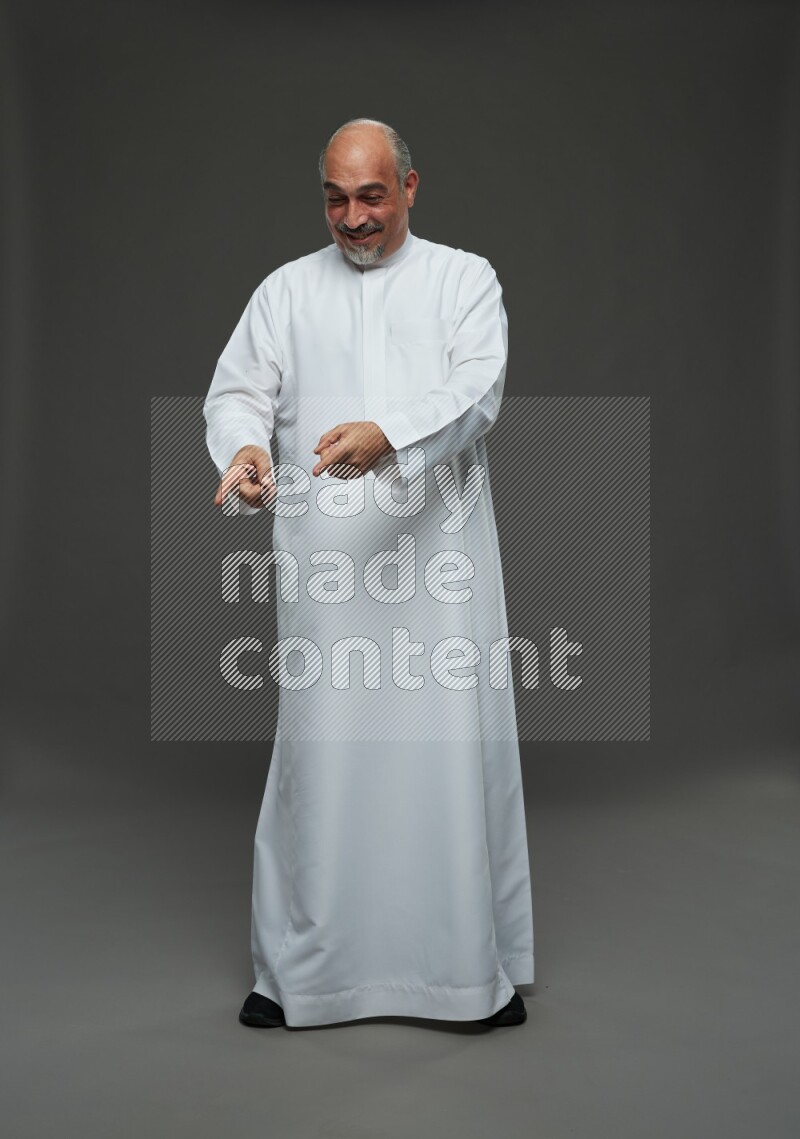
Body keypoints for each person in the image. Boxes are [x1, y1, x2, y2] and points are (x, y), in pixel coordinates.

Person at [203, 119, 534, 1029]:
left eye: (373, 196)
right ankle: (302, 973)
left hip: (438, 565)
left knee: (442, 754)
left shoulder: (464, 279)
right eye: (337, 198)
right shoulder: (285, 292)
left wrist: (388, 434)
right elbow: (239, 389)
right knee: (325, 753)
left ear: (412, 187)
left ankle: (465, 974)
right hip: (327, 567)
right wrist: (241, 450)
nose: (354, 218)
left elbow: (478, 388)